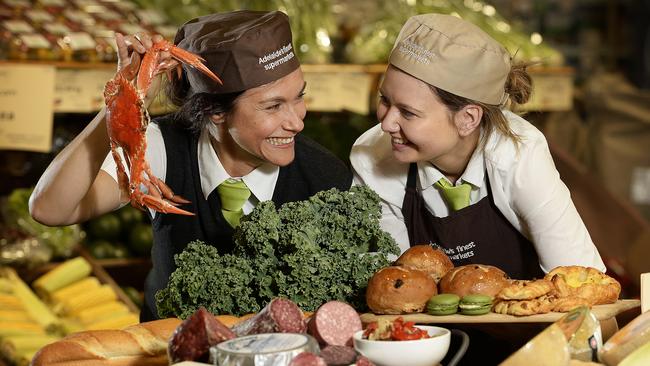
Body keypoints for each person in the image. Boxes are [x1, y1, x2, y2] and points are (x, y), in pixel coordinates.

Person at [29, 10, 352, 321]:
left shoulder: (326, 179)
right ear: (216, 112)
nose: (296, 122)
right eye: (273, 106)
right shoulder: (162, 149)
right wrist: (121, 103)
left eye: (299, 96)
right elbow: (51, 209)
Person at [350, 13, 605, 280]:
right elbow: (391, 284)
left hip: (529, 317)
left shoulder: (519, 155)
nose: (387, 123)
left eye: (408, 112)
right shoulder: (375, 156)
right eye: (384, 100)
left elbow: (579, 280)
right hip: (424, 321)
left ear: (468, 119)